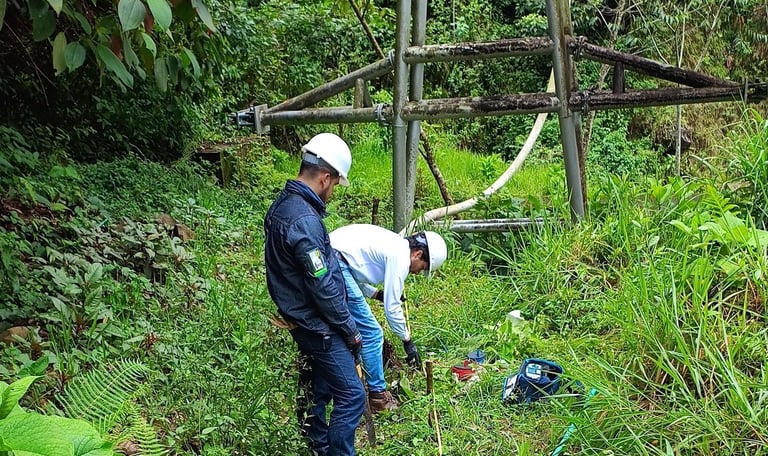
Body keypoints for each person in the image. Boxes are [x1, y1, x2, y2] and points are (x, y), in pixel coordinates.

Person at [264, 133, 364, 456]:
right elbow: (322, 287)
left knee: (316, 387)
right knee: (352, 395)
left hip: (301, 318)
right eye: (334, 184)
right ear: (325, 177)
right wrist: (349, 329)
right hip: (317, 325)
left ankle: (317, 445)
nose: (333, 192)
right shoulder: (304, 220)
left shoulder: (283, 205)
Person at [329, 224, 448, 413]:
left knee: (349, 330)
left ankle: (350, 385)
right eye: (423, 267)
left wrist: (376, 294)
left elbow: (354, 271)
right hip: (334, 262)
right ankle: (377, 396)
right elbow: (392, 308)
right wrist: (407, 341)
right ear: (418, 254)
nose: (418, 272)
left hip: (332, 259)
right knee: (372, 333)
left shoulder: (395, 246)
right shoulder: (400, 257)